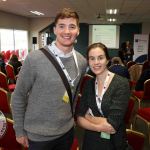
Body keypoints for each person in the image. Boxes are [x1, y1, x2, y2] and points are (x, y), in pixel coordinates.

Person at [11, 8, 86, 150]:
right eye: (62, 26)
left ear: (78, 30)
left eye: (72, 26)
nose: (67, 31)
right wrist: (19, 130)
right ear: (55, 30)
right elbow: (18, 96)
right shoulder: (34, 59)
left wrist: (71, 120)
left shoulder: (81, 61)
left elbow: (74, 95)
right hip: (38, 136)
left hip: (67, 132)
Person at [76, 43, 130, 150]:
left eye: (100, 58)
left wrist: (87, 116)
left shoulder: (121, 83)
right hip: (91, 140)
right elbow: (79, 118)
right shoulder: (88, 84)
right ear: (88, 62)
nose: (96, 62)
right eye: (92, 58)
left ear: (107, 60)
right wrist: (99, 127)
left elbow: (112, 125)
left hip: (114, 142)